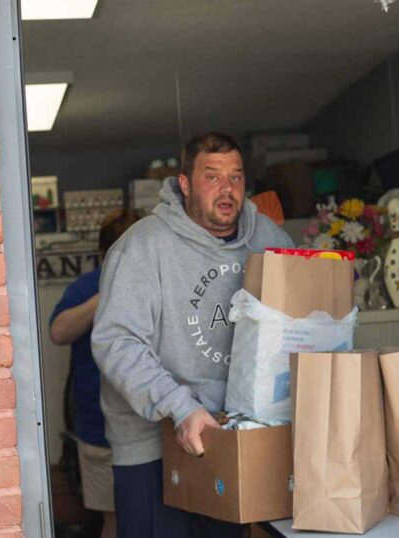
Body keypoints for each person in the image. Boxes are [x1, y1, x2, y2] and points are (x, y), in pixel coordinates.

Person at [92, 132, 293, 538]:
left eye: (236, 177)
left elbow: (298, 320)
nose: (227, 189)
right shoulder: (143, 248)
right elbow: (116, 341)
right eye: (212, 176)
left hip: (233, 437)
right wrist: (179, 406)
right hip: (152, 448)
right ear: (184, 183)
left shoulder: (270, 241)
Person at [50, 211, 137, 538]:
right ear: (107, 255)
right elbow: (58, 332)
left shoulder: (157, 282)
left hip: (156, 429)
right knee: (114, 521)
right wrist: (105, 295)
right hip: (99, 430)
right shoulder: (86, 287)